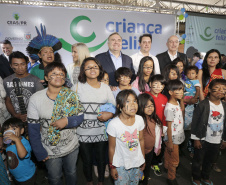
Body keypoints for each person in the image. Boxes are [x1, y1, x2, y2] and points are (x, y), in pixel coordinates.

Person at [27, 62, 84, 185]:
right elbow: (33, 128)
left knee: (72, 172)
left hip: (71, 145)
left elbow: (80, 117)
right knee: (54, 177)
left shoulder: (72, 95)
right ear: (46, 77)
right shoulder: (36, 99)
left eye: (61, 74)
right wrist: (38, 150)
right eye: (54, 74)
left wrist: (67, 121)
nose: (58, 76)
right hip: (49, 149)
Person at [71, 57, 115, 185]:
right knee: (87, 161)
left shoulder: (106, 88)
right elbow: (70, 109)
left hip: (101, 131)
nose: (92, 69)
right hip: (83, 133)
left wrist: (110, 114)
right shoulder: (76, 87)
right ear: (83, 71)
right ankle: (89, 182)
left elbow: (113, 106)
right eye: (88, 67)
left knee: (102, 160)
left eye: (95, 67)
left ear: (100, 69)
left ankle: (101, 182)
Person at [191, 79, 226, 185]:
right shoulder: (203, 105)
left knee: (210, 161)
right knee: (198, 160)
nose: (221, 90)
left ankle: (205, 176)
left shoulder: (224, 106)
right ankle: (196, 177)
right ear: (210, 90)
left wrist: (224, 139)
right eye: (217, 88)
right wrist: (196, 139)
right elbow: (195, 122)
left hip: (217, 140)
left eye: (224, 89)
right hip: (203, 139)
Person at [107, 89, 145, 185]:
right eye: (128, 101)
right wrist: (112, 167)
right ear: (119, 106)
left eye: (135, 101)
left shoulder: (139, 119)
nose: (133, 104)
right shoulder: (114, 124)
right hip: (120, 165)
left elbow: (141, 140)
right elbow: (111, 148)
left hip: (136, 162)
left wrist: (142, 159)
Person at [3, 51, 43, 122]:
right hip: (15, 119)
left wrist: (32, 115)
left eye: (22, 64)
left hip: (34, 118)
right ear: (11, 65)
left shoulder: (35, 80)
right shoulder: (6, 81)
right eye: (16, 64)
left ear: (27, 64)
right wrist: (15, 115)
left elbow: (41, 101)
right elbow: (8, 100)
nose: (20, 67)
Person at [137, 93, 162, 185]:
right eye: (146, 106)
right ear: (140, 106)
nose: (150, 108)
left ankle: (145, 181)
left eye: (151, 105)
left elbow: (157, 134)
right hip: (139, 153)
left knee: (146, 170)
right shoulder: (139, 120)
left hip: (150, 151)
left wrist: (158, 147)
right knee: (138, 172)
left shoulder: (154, 119)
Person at [2, 117, 36, 184]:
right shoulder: (9, 144)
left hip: (28, 177)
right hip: (16, 177)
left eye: (14, 129)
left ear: (21, 131)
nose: (10, 133)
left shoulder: (24, 143)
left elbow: (22, 155)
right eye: (6, 130)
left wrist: (17, 140)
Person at [164, 80, 185, 185]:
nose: (181, 92)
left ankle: (167, 168)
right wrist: (170, 142)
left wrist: (181, 100)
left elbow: (182, 109)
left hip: (177, 134)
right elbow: (168, 126)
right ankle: (171, 177)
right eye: (178, 90)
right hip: (172, 136)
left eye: (182, 89)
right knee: (175, 160)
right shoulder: (169, 108)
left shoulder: (176, 102)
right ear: (170, 92)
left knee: (168, 154)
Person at [146, 74, 168, 176]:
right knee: (148, 146)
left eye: (161, 84)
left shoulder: (164, 98)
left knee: (159, 145)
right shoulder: (145, 96)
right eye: (156, 84)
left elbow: (165, 115)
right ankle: (146, 164)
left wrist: (163, 129)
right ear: (150, 84)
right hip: (148, 127)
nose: (159, 86)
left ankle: (154, 163)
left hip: (159, 127)